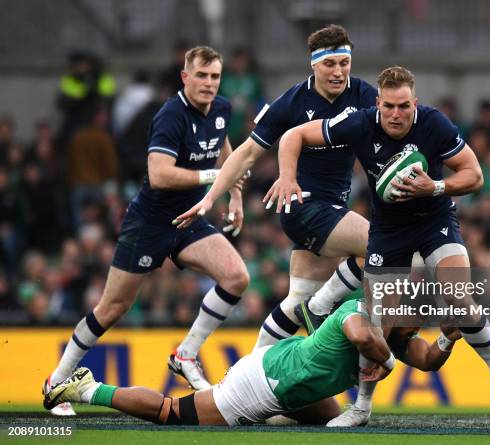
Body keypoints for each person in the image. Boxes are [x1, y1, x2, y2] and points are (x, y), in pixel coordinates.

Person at [262, 66, 490, 413]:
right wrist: (288, 177)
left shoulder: (434, 124)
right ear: (378, 103)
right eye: (389, 106)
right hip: (388, 230)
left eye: (404, 106)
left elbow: (475, 175)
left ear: (415, 104)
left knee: (458, 296)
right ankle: (361, 408)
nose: (396, 114)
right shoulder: (361, 123)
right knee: (378, 322)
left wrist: (435, 187)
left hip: (434, 219)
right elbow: (293, 136)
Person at [172, 25, 381, 426]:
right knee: (380, 249)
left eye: (345, 63)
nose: (339, 72)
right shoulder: (291, 102)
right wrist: (210, 197)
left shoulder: (366, 96)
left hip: (333, 208)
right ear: (314, 65)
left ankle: (244, 384)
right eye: (331, 64)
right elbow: (248, 153)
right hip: (301, 206)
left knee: (295, 302)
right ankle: (321, 310)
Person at [43, 46, 249, 416]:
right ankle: (56, 381)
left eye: (214, 76)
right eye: (201, 75)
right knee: (113, 308)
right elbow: (159, 174)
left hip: (188, 219)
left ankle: (184, 355)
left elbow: (224, 150)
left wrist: (235, 195)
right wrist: (214, 177)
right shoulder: (170, 114)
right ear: (185, 77)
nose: (208, 83)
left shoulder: (222, 109)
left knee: (236, 277)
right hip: (150, 222)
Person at [44, 299, 460, 426]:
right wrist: (386, 363)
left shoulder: (396, 333)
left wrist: (448, 336)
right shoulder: (360, 311)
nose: (421, 317)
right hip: (265, 381)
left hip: (290, 379)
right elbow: (357, 335)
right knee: (171, 413)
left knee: (327, 423)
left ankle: (207, 384)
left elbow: (427, 361)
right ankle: (85, 387)